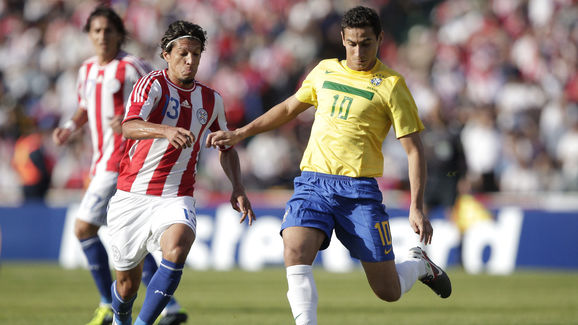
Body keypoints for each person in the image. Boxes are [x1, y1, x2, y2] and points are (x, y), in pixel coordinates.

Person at [207, 6, 451, 325]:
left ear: (380, 39)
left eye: (366, 43)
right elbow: (288, 108)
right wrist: (240, 132)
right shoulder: (324, 71)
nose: (358, 51)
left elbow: (414, 150)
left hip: (359, 192)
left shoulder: (392, 85)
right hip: (313, 183)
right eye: (352, 43)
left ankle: (419, 264)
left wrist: (416, 206)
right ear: (342, 39)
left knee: (387, 290)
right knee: (294, 249)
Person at [106, 20, 255, 325]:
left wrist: (237, 186)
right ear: (166, 54)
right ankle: (121, 318)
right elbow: (129, 126)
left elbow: (226, 147)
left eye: (196, 55)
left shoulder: (211, 100)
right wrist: (165, 131)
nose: (190, 60)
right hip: (132, 195)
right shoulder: (153, 84)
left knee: (177, 248)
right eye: (184, 53)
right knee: (127, 285)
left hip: (176, 194)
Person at [52, 7, 187, 325]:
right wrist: (70, 127)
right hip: (99, 161)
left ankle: (105, 303)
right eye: (96, 31)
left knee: (83, 227)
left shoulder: (131, 66)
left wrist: (132, 117)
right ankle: (170, 306)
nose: (102, 37)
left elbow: (162, 94)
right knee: (129, 238)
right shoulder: (85, 69)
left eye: (108, 31)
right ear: (89, 35)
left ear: (119, 34)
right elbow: (84, 106)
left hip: (123, 161)